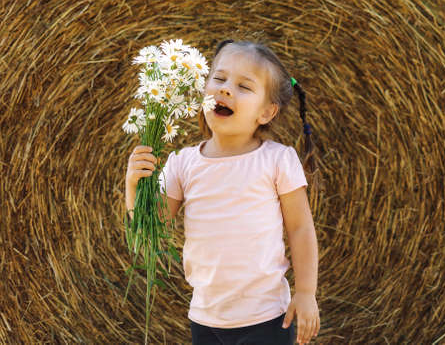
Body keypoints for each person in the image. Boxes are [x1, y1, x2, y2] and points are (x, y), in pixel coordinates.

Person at [125, 39, 320, 344]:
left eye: (244, 86)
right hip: (205, 318)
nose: (226, 89)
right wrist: (134, 186)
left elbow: (300, 228)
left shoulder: (277, 160)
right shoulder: (182, 164)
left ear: (267, 112)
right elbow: (150, 229)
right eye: (219, 78)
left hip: (266, 317)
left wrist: (306, 292)